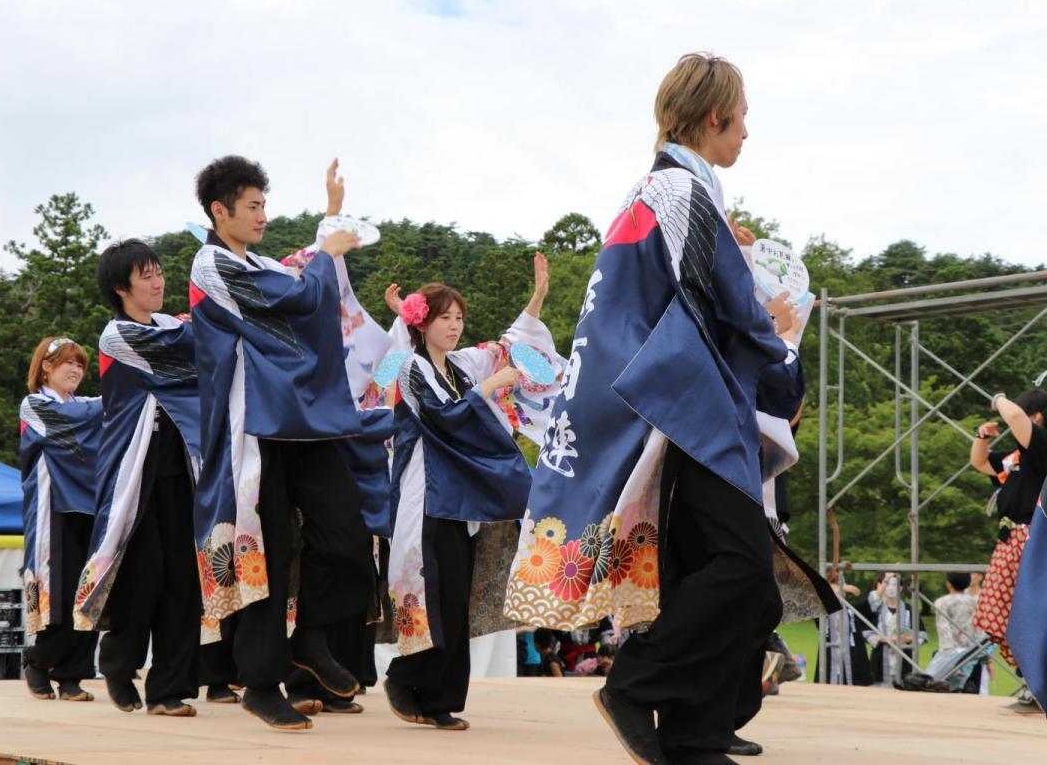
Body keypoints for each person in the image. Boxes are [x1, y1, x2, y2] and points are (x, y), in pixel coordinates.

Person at [504, 52, 836, 765]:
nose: (747, 131)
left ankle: (694, 732)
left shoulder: (659, 191)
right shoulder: (684, 193)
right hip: (682, 404)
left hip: (658, 399)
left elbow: (689, 287)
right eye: (742, 116)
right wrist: (777, 336)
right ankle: (637, 682)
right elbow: (726, 308)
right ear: (713, 116)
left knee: (710, 568)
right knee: (743, 567)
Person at [189, 155, 381, 731]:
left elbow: (300, 276)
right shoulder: (211, 266)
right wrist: (328, 252)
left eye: (264, 205)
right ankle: (261, 682)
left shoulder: (259, 262)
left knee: (347, 532)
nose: (263, 216)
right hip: (253, 428)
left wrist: (329, 215)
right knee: (265, 553)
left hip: (300, 421)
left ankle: (312, 637)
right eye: (252, 206)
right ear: (219, 211)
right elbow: (299, 295)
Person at [383, 260, 564, 731]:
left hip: (460, 496)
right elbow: (442, 417)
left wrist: (538, 295)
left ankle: (440, 696)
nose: (455, 326)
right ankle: (405, 680)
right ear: (422, 322)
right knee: (429, 590)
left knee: (454, 594)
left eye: (459, 318)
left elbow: (509, 345)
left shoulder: (462, 363)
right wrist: (487, 389)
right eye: (445, 317)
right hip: (424, 490)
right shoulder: (410, 367)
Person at [72, 240, 204, 717]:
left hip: (182, 470)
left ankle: (169, 690)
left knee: (185, 580)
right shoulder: (118, 337)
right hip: (137, 471)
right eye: (146, 275)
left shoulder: (172, 324)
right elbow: (194, 344)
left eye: (160, 272)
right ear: (120, 288)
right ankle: (119, 664)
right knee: (143, 576)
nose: (158, 281)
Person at [19, 336, 102, 701]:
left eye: (81, 365)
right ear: (46, 367)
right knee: (59, 590)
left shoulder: (87, 404)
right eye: (67, 363)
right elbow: (73, 421)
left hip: (91, 505)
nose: (76, 370)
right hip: (53, 506)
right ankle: (38, 660)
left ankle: (73, 675)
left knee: (90, 590)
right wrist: (112, 400)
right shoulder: (34, 405)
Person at [969, 389, 1047, 678]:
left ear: (1036, 417)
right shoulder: (1016, 457)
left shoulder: (1041, 446)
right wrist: (982, 437)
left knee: (1032, 610)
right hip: (1010, 539)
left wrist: (999, 398)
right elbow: (980, 463)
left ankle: (1037, 675)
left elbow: (1013, 415)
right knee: (1000, 612)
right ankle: (1029, 673)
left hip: (1034, 539)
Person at [861, 573, 926, 687]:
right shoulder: (875, 609)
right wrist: (886, 639)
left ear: (900, 588)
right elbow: (866, 632)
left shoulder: (910, 610)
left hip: (904, 659)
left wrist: (908, 639)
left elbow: (921, 635)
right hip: (880, 659)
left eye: (895, 584)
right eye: (888, 584)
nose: (891, 588)